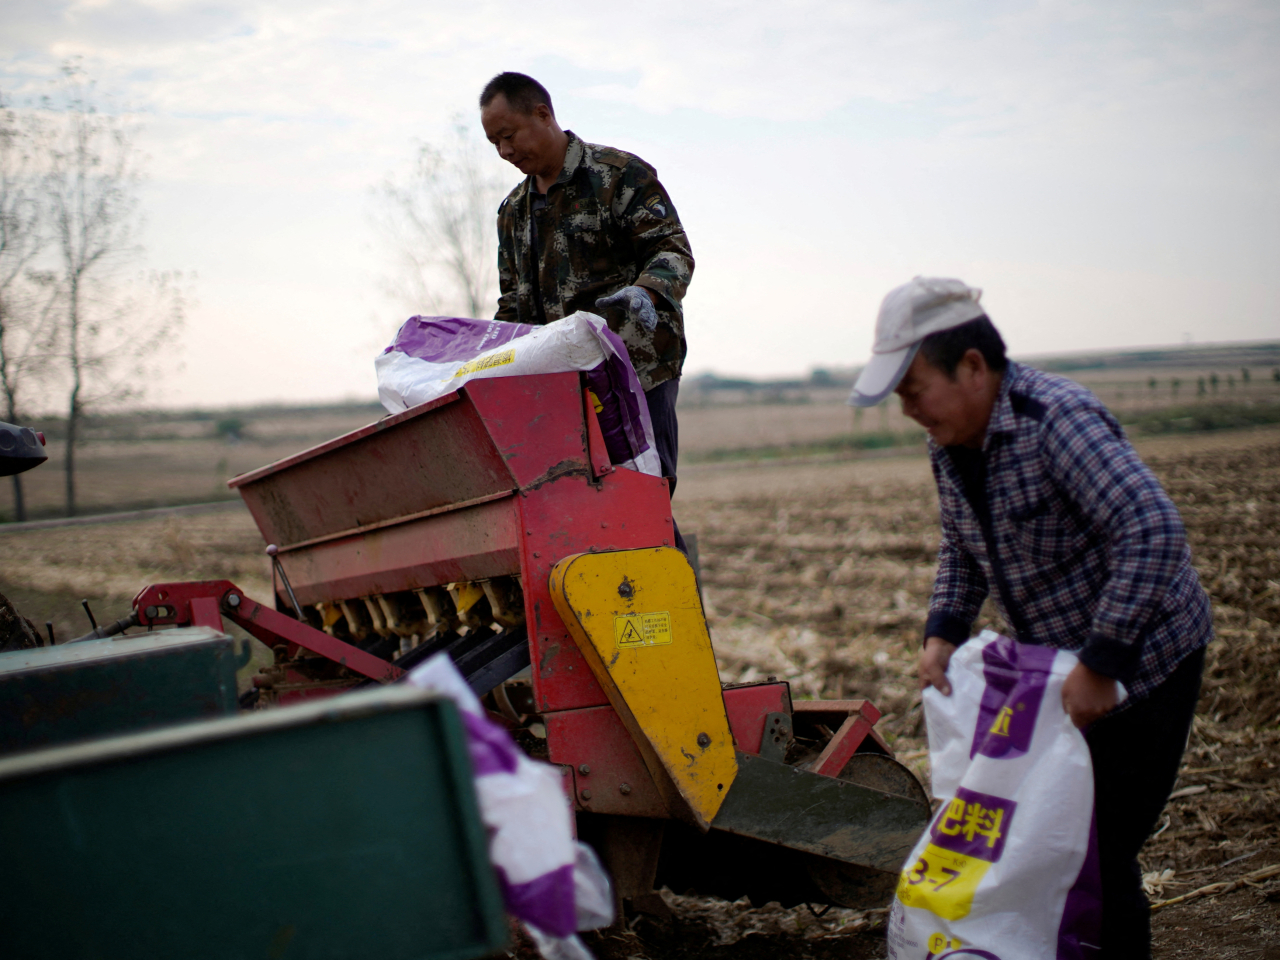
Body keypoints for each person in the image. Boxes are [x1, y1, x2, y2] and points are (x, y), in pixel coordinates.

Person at [849, 276, 1212, 959]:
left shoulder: (1056, 421)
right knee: (1063, 846)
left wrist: (1105, 662)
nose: (909, 410)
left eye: (912, 389)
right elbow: (963, 547)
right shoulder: (951, 442)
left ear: (974, 367)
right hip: (1067, 672)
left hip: (1150, 660)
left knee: (1097, 853)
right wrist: (942, 633)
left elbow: (1152, 530)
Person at [478, 72, 693, 543]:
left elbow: (672, 250)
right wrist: (487, 363)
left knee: (641, 504)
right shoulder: (512, 212)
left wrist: (648, 293)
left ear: (543, 114)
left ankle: (674, 614)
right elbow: (512, 303)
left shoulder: (618, 176)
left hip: (634, 372)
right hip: (557, 389)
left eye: (509, 136)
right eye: (494, 143)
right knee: (575, 516)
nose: (505, 152)